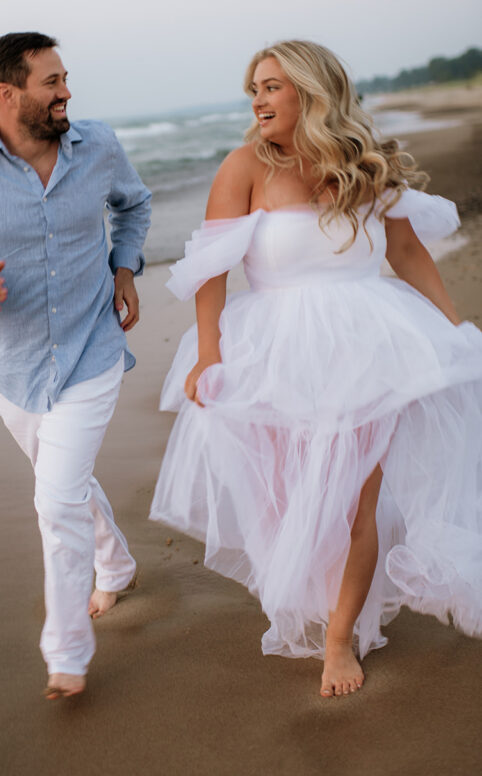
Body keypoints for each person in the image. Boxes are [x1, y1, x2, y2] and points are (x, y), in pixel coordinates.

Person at [150, 40, 482, 697]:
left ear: (310, 90)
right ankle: (313, 599)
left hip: (369, 348)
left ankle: (338, 640)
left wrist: (453, 335)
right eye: (254, 87)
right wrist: (210, 354)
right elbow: (212, 268)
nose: (257, 98)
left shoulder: (367, 164)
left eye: (271, 85)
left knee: (357, 499)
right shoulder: (245, 165)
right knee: (293, 501)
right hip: (273, 355)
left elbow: (409, 253)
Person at [0, 32, 151, 700]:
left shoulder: (97, 145)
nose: (67, 91)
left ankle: (67, 653)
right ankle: (118, 563)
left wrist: (124, 267)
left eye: (66, 78)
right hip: (15, 371)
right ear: (7, 93)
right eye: (52, 82)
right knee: (66, 482)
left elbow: (134, 204)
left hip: (92, 350)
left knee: (55, 498)